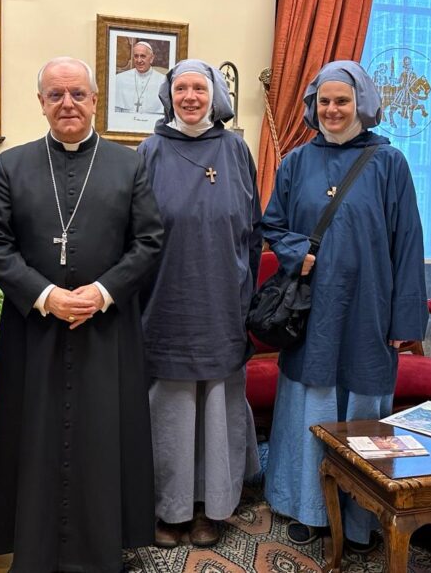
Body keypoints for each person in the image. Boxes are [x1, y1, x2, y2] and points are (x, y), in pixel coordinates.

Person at [0, 57, 164, 572]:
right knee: (34, 438)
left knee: (102, 439)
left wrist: (102, 292)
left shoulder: (129, 164)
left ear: (95, 100)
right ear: (40, 103)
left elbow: (149, 241)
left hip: (105, 329)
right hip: (35, 328)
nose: (68, 104)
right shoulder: (13, 164)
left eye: (78, 94)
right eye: (56, 95)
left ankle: (102, 550)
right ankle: (34, 552)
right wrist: (45, 296)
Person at [262, 61, 427, 551]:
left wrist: (405, 320)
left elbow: (408, 242)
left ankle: (359, 517)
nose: (332, 110)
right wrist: (298, 254)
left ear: (362, 104)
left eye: (342, 101)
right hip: (312, 309)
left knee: (362, 417)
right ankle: (308, 509)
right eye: (324, 102)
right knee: (309, 407)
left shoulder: (389, 162)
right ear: (313, 106)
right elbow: (272, 225)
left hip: (370, 308)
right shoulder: (294, 163)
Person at [136, 60, 261, 549]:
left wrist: (244, 294)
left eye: (199, 88)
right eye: (181, 88)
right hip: (165, 301)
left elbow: (251, 230)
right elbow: (133, 235)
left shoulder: (235, 150)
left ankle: (211, 508)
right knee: (170, 411)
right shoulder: (149, 151)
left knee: (217, 406)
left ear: (215, 96)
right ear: (170, 96)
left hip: (223, 301)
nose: (190, 96)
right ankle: (170, 508)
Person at [113, 40, 167, 114]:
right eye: (136, 56)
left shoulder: (163, 81)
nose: (139, 60)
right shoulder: (119, 79)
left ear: (151, 58)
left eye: (143, 56)